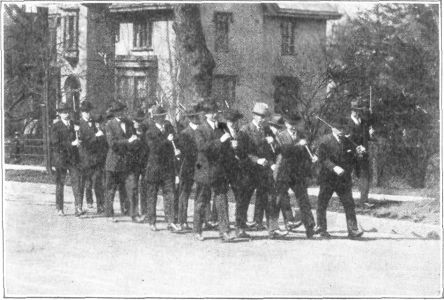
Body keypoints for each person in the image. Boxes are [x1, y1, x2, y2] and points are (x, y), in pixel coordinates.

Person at [238, 102, 288, 239]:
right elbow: (242, 152)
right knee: (244, 200)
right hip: (248, 170)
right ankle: (240, 228)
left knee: (270, 199)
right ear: (253, 115)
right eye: (259, 116)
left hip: (263, 171)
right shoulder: (245, 130)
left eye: (264, 116)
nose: (262, 118)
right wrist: (257, 160)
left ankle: (273, 229)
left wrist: (274, 143)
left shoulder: (267, 130)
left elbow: (275, 151)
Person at [193, 102, 235, 242]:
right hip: (205, 170)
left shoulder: (222, 127)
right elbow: (202, 147)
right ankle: (197, 230)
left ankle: (224, 232)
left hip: (219, 171)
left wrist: (231, 144)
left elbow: (227, 146)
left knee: (222, 201)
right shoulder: (200, 129)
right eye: (212, 112)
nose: (215, 114)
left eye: (216, 111)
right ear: (206, 114)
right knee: (201, 201)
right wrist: (220, 141)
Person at [314, 121, 364, 239]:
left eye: (344, 128)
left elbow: (352, 156)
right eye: (340, 128)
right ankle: (321, 229)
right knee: (322, 203)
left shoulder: (347, 141)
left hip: (343, 179)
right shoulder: (324, 140)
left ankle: (353, 230)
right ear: (333, 128)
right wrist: (334, 167)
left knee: (349, 204)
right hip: (327, 178)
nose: (342, 131)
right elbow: (322, 158)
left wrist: (359, 153)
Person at [274, 111, 317, 238]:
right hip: (284, 171)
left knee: (303, 199)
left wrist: (311, 157)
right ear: (286, 124)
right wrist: (299, 145)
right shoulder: (280, 135)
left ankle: (310, 226)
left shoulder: (301, 135)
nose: (292, 126)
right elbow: (285, 151)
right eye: (290, 124)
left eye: (294, 124)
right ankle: (281, 224)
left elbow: (305, 153)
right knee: (280, 198)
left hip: (298, 172)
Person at [144, 105, 181, 232]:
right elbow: (154, 148)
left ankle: (170, 221)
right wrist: (167, 140)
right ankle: (152, 221)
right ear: (155, 119)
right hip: (154, 168)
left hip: (168, 168)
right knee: (152, 196)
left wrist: (176, 145)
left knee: (170, 194)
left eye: (163, 116)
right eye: (160, 117)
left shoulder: (169, 127)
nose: (163, 119)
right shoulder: (150, 131)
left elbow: (176, 139)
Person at [268, 113, 302, 231]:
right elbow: (267, 153)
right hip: (271, 169)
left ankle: (288, 221)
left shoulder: (280, 136)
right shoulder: (269, 137)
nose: (275, 129)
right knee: (276, 198)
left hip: (282, 170)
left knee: (283, 197)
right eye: (273, 126)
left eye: (278, 127)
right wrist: (271, 164)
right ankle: (274, 227)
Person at [104, 101, 138, 218]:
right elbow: (112, 144)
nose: (121, 113)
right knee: (111, 189)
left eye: (122, 111)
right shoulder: (109, 125)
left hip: (127, 161)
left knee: (131, 187)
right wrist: (128, 141)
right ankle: (109, 214)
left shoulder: (129, 123)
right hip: (114, 162)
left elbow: (133, 138)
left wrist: (135, 140)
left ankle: (131, 213)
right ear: (114, 113)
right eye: (118, 111)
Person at [50, 102, 83, 216]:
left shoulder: (75, 124)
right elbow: (55, 144)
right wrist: (71, 143)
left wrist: (79, 135)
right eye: (64, 112)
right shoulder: (56, 126)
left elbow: (80, 138)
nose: (66, 114)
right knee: (60, 183)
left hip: (73, 159)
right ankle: (59, 208)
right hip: (61, 159)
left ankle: (78, 207)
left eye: (68, 112)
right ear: (59, 114)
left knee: (77, 182)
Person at [221, 108, 250, 238]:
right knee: (221, 198)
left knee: (241, 197)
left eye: (234, 120)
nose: (232, 123)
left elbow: (245, 153)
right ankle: (225, 228)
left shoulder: (242, 134)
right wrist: (228, 146)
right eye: (229, 120)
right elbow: (216, 149)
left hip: (237, 170)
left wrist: (239, 147)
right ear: (226, 121)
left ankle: (240, 227)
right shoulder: (220, 131)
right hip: (224, 169)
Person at [176, 103, 202, 230]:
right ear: (191, 118)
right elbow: (187, 151)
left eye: (198, 116)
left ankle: (202, 220)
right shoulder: (185, 133)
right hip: (188, 167)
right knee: (185, 193)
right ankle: (182, 220)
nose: (198, 119)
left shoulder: (203, 131)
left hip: (201, 167)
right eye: (195, 117)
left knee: (202, 194)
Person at [77, 101, 106, 213]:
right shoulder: (79, 125)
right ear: (82, 112)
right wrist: (96, 136)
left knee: (98, 182)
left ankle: (100, 205)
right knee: (82, 183)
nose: (88, 114)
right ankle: (79, 206)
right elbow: (83, 142)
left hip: (95, 159)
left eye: (89, 111)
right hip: (84, 159)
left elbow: (100, 140)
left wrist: (100, 135)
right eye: (85, 111)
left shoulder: (95, 123)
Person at [347, 98, 375, 206]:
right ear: (352, 110)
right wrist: (355, 148)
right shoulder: (346, 123)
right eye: (357, 110)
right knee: (346, 177)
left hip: (362, 154)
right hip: (349, 154)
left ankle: (364, 201)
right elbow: (345, 140)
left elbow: (367, 137)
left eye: (360, 110)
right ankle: (347, 201)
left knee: (365, 175)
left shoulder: (364, 123)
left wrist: (371, 134)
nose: (359, 112)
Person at [132, 110, 149, 218]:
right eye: (137, 121)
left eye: (141, 121)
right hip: (133, 163)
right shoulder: (130, 131)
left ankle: (144, 211)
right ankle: (134, 211)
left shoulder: (146, 131)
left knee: (144, 186)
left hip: (144, 162)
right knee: (133, 186)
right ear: (133, 121)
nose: (139, 123)